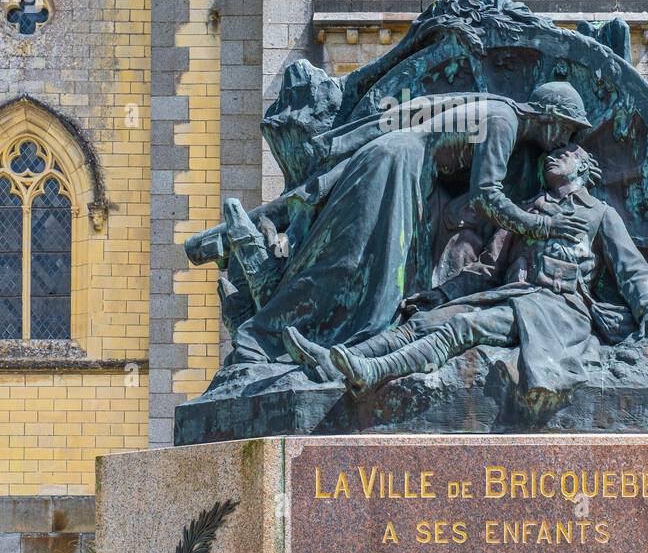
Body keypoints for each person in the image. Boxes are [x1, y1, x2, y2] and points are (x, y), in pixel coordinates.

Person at [287, 139, 648, 415]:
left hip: (556, 311)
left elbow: (633, 269)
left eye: (565, 153)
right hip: (511, 297)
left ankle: (372, 372)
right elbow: (487, 269)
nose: (553, 157)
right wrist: (440, 294)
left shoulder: (599, 215)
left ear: (585, 168)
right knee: (420, 322)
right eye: (551, 154)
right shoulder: (526, 210)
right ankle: (336, 362)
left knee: (464, 327)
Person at [226, 81, 596, 364]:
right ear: (549, 117)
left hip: (405, 171)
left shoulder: (501, 113)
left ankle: (321, 342)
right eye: (566, 129)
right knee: (353, 262)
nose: (564, 140)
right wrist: (541, 228)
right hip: (396, 167)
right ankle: (263, 337)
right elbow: (486, 193)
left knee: (365, 269)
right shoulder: (503, 121)